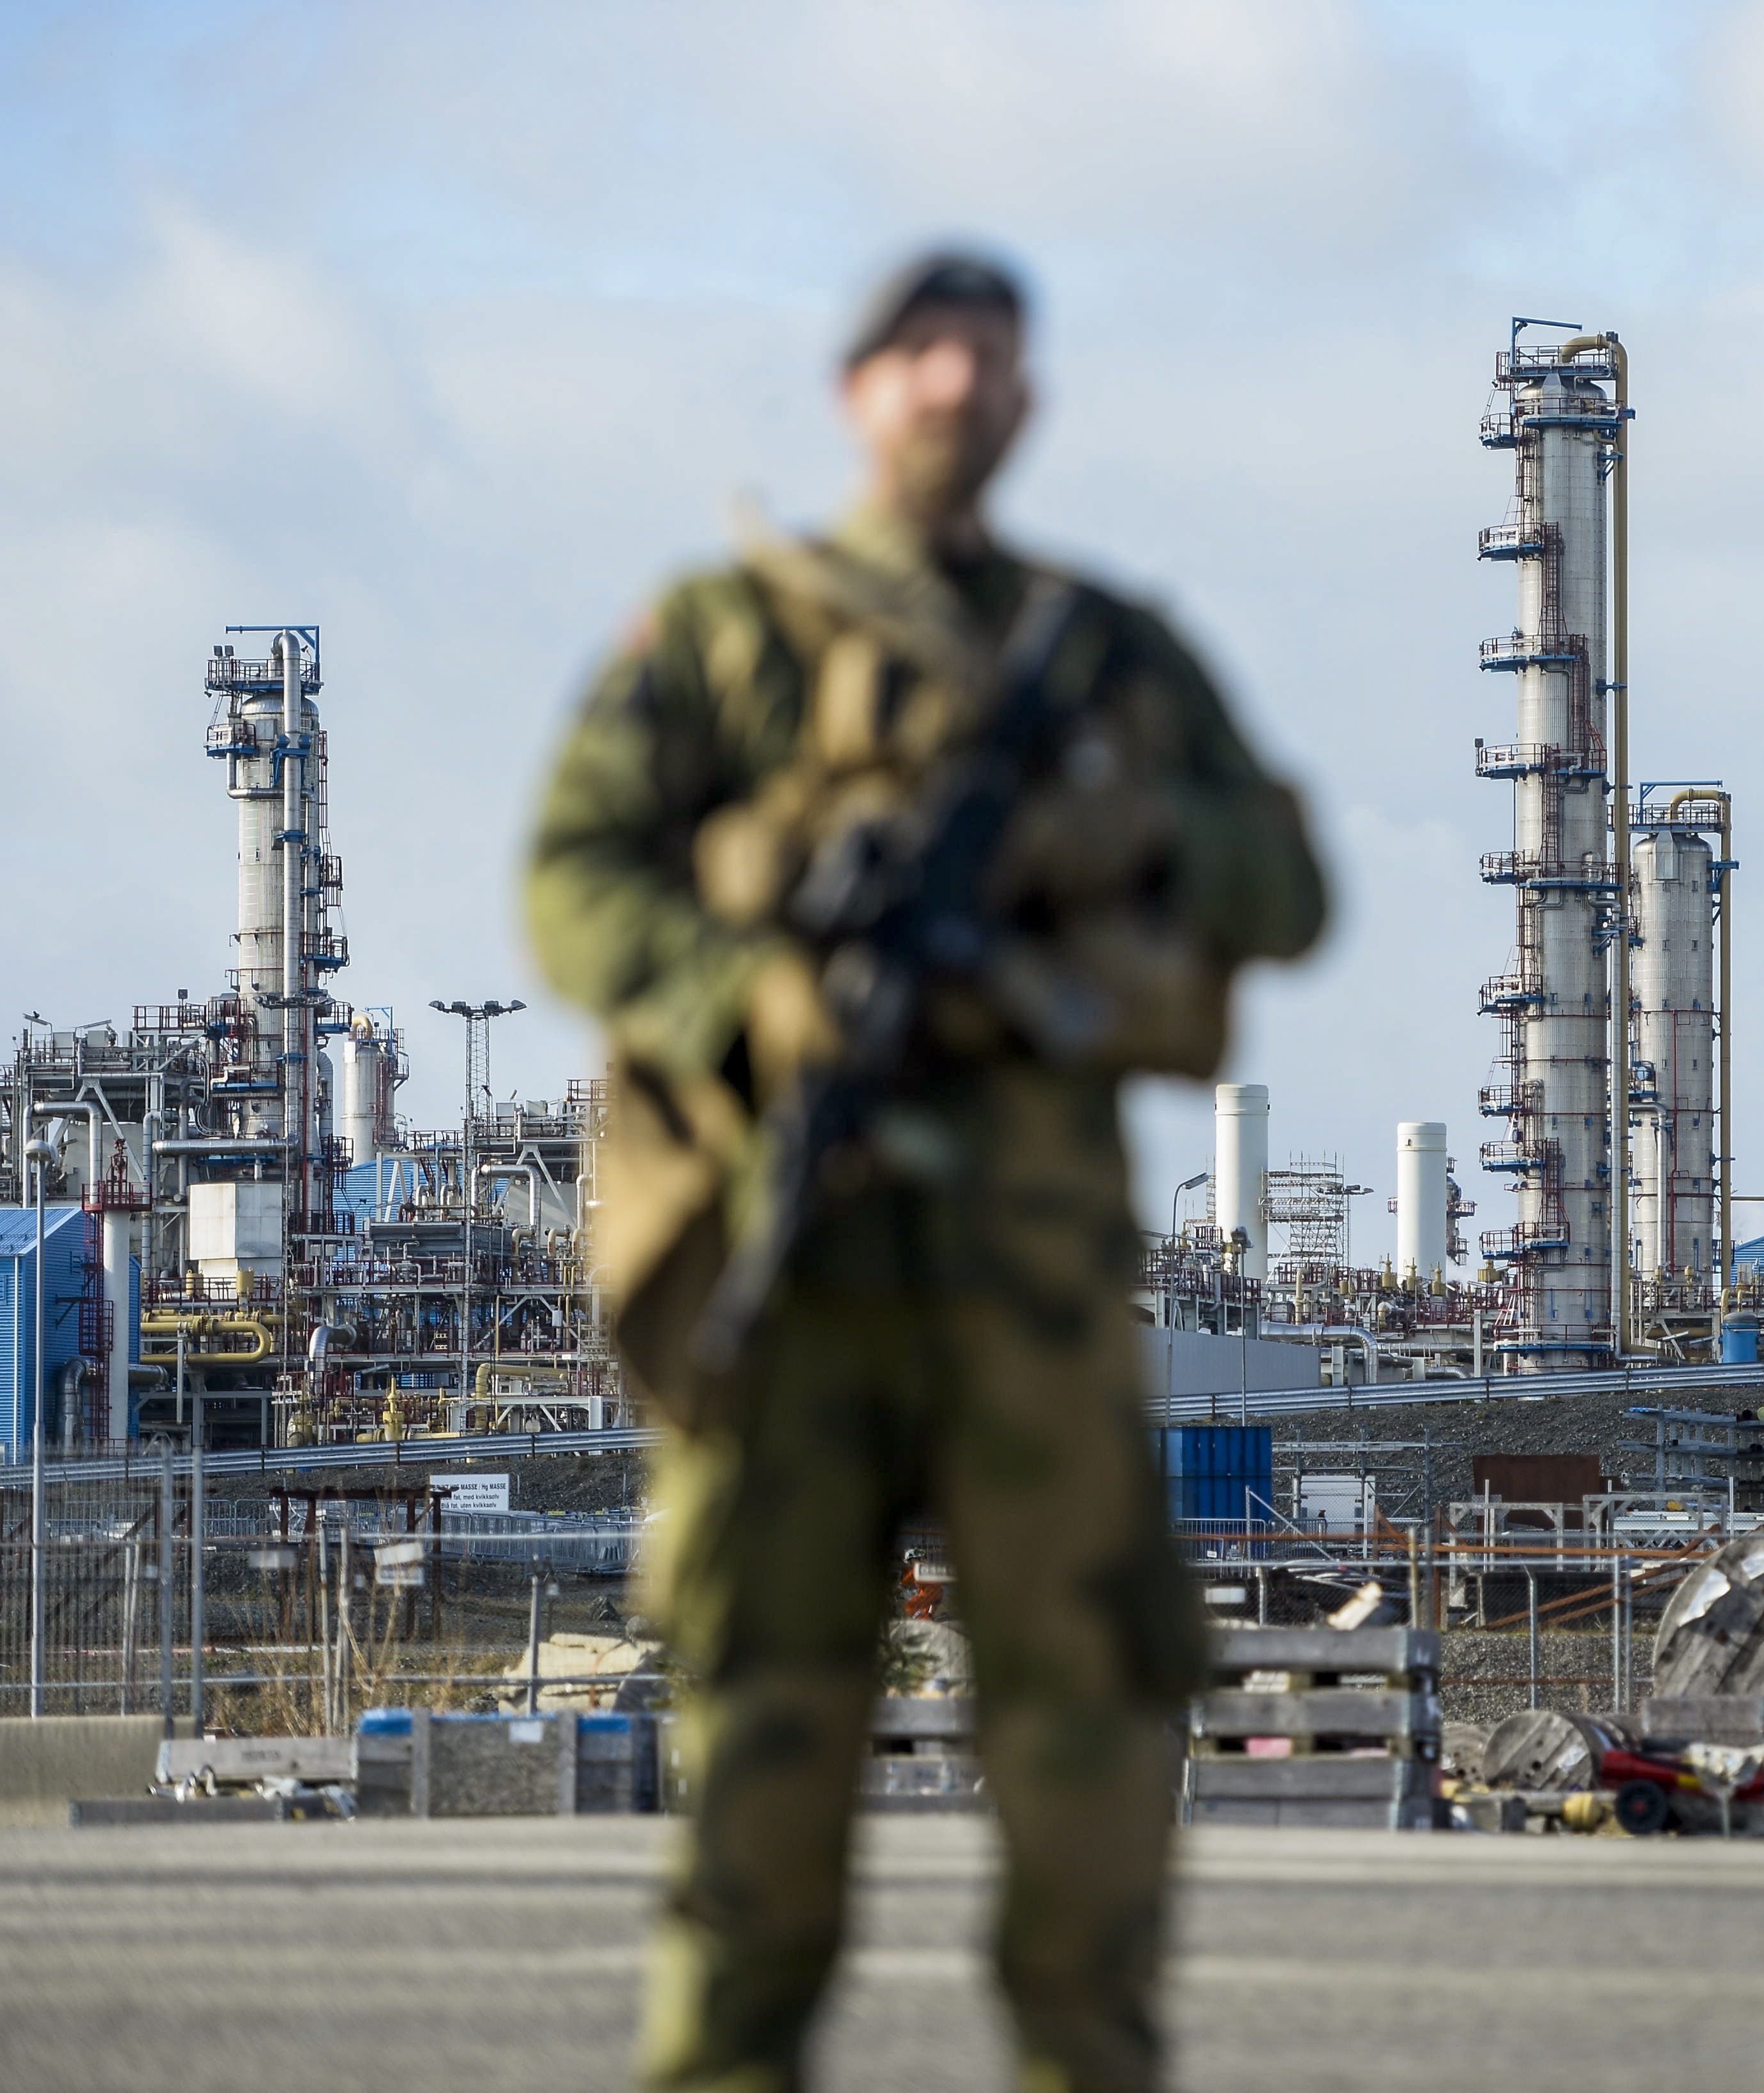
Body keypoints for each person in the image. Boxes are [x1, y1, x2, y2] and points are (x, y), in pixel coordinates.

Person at [523, 248, 1327, 2093]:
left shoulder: (1109, 653)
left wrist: (1101, 831)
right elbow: (572, 881)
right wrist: (750, 1000)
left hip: (1028, 1305)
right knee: (760, 1806)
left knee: (1092, 1781)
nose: (959, 386)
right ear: (857, 391)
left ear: (1027, 402)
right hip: (791, 1283)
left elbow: (1284, 884)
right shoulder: (729, 639)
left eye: (992, 357)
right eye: (922, 354)